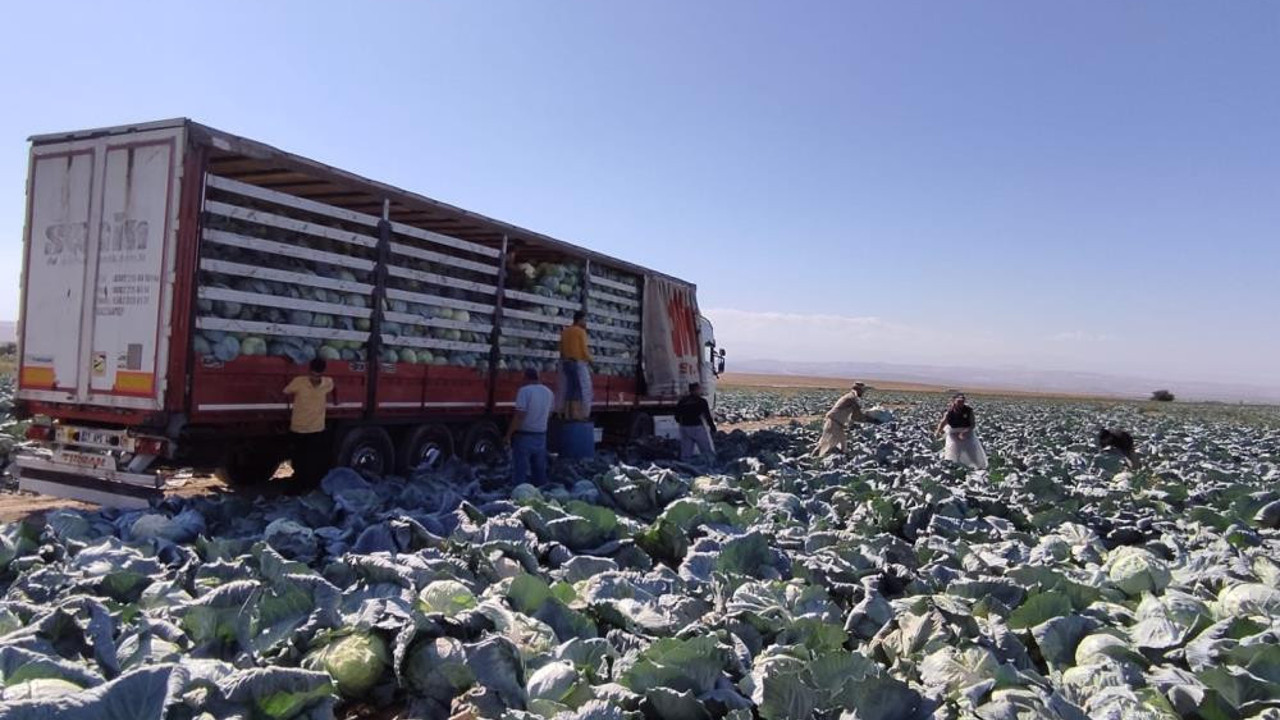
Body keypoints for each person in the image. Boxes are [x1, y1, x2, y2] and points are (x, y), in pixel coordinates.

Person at [283, 358, 335, 488]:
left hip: (302, 428)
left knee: (302, 460)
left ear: (309, 369)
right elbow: (332, 385)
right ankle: (307, 484)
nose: (314, 377)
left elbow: (286, 391)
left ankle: (301, 485)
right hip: (312, 429)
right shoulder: (327, 383)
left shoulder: (299, 382)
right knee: (308, 459)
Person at [506, 368, 554, 485]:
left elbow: (519, 416)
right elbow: (550, 414)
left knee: (520, 471)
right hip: (541, 435)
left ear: (526, 378)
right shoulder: (549, 392)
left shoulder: (525, 391)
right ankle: (540, 494)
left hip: (524, 436)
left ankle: (518, 496)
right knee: (539, 470)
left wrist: (508, 435)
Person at [814, 382, 867, 457]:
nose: (863, 392)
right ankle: (812, 459)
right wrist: (870, 418)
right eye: (862, 390)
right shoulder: (852, 398)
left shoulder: (851, 397)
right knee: (824, 444)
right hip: (833, 424)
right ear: (859, 390)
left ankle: (842, 460)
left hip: (837, 424)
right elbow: (856, 416)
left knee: (842, 445)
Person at [936, 393, 988, 470]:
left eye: (962, 402)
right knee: (954, 451)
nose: (961, 404)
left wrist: (964, 432)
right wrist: (938, 431)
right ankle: (954, 467)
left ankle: (977, 466)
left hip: (967, 434)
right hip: (953, 434)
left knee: (971, 451)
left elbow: (972, 425)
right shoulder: (949, 412)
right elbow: (943, 423)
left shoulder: (969, 411)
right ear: (954, 402)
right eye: (958, 402)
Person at [557, 311, 592, 420]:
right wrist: (591, 360)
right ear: (579, 320)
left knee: (568, 389)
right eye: (585, 320)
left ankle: (567, 414)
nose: (586, 322)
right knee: (577, 389)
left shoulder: (565, 332)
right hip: (576, 363)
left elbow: (561, 349)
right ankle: (576, 415)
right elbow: (584, 350)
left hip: (565, 363)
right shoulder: (580, 332)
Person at [675, 382, 717, 461]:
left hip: (684, 427)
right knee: (706, 449)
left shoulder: (682, 401)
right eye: (699, 389)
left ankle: (685, 467)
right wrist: (712, 427)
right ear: (696, 390)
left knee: (686, 452)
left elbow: (676, 416)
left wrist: (682, 423)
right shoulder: (701, 401)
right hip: (697, 427)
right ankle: (710, 465)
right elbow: (707, 415)